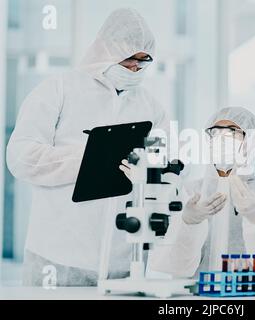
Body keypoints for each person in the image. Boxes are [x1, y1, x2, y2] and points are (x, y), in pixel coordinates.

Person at [7, 8, 169, 286]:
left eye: (143, 63)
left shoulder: (150, 107)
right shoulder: (59, 89)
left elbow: (164, 167)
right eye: (130, 60)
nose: (135, 70)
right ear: (107, 50)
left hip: (124, 259)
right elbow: (21, 157)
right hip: (58, 257)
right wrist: (88, 158)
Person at [130, 107, 255, 278]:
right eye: (215, 133)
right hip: (195, 296)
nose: (222, 139)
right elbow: (170, 266)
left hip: (251, 293)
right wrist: (188, 222)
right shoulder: (187, 193)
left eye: (232, 132)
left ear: (252, 143)